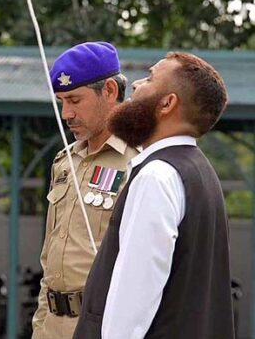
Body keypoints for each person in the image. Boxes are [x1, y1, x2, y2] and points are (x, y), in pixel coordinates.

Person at [74, 52, 233, 339]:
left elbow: (133, 297)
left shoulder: (156, 176)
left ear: (167, 103)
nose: (135, 85)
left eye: (149, 78)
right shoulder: (200, 172)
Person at [32, 42, 139, 339]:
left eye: (75, 100)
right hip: (52, 325)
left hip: (104, 325)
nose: (66, 114)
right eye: (61, 101)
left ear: (109, 91)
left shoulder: (140, 162)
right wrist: (41, 327)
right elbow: (49, 260)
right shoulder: (64, 162)